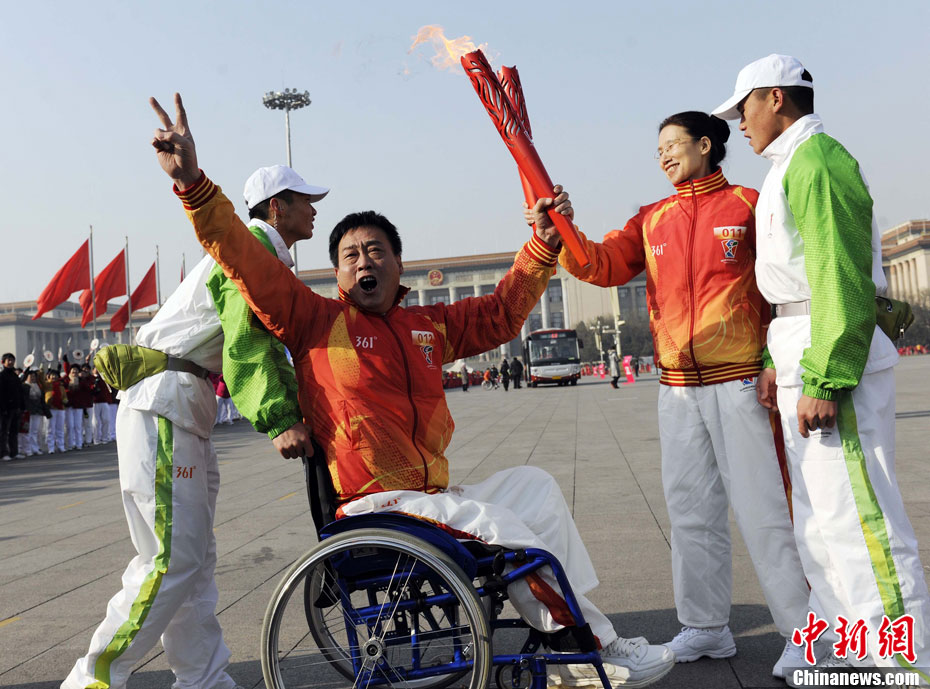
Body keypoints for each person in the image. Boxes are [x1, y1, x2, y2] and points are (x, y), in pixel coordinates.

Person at [152, 92, 675, 688]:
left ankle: (556, 636)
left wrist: (542, 244)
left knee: (536, 490)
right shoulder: (315, 321)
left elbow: (501, 315)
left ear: (399, 264)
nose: (362, 261)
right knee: (500, 529)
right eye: (349, 255)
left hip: (429, 497)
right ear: (338, 274)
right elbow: (244, 257)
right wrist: (193, 183)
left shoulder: (426, 326)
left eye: (376, 250)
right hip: (377, 505)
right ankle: (592, 649)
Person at [551, 110, 810, 676]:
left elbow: (786, 285)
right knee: (691, 511)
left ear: (707, 144)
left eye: (673, 145)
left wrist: (772, 360)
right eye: (658, 149)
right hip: (677, 388)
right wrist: (560, 225)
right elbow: (598, 264)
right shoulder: (652, 218)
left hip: (740, 380)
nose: (664, 155)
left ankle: (803, 632)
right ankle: (706, 626)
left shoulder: (750, 203)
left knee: (765, 509)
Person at [62, 162, 320, 689]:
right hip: (165, 403)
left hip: (183, 406)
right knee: (171, 558)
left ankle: (204, 679)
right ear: (277, 208)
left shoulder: (259, 251)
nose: (314, 208)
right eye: (304, 199)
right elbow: (248, 337)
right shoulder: (254, 248)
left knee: (193, 560)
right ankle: (93, 679)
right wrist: (280, 418)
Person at [713, 54, 930, 675]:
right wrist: (774, 362)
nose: (740, 125)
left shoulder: (818, 161)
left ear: (775, 98)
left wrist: (826, 378)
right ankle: (840, 649)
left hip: (831, 353)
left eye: (744, 109)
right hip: (798, 339)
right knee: (818, 519)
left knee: (861, 515)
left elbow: (837, 276)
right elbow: (793, 284)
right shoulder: (790, 166)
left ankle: (899, 664)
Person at [0, 353, 24, 460]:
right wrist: (3, 408)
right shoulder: (2, 376)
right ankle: (3, 453)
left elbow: (20, 392)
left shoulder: (15, 376)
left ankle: (14, 452)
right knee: (4, 432)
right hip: (6, 408)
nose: (10, 362)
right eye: (8, 360)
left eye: (12, 360)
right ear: (3, 362)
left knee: (14, 431)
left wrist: (21, 406)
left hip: (16, 407)